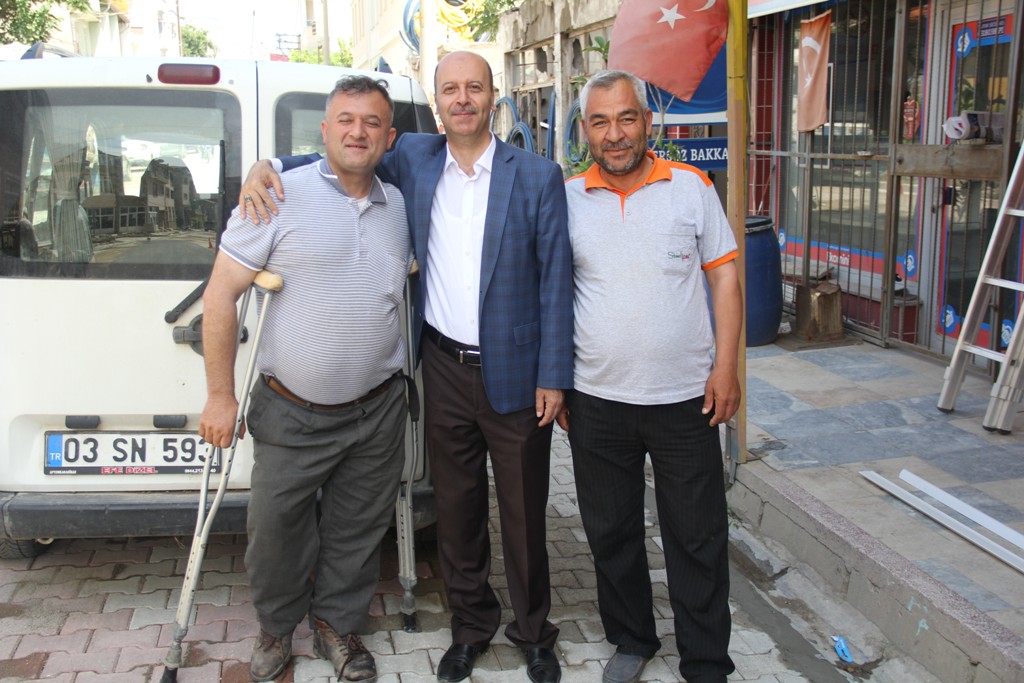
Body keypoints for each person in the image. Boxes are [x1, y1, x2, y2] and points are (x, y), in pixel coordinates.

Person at [238, 52, 573, 683]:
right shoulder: (413, 157)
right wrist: (269, 166)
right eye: (450, 89)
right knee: (457, 510)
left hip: (518, 372)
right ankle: (470, 628)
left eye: (474, 87)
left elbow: (557, 279)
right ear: (437, 101)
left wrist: (554, 376)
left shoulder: (536, 175)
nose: (462, 98)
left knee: (525, 513)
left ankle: (534, 634)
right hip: (441, 369)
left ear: (492, 96)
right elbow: (343, 156)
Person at [200, 75, 411, 683]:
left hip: (377, 408)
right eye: (346, 119)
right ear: (324, 130)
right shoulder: (276, 195)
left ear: (389, 136)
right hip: (291, 410)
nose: (358, 132)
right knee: (275, 532)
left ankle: (336, 626)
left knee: (357, 529)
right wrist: (220, 395)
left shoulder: (398, 204)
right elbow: (220, 297)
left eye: (371, 122)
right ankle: (275, 628)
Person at [557, 70, 741, 683]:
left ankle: (706, 661)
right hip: (596, 398)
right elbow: (552, 294)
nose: (615, 134)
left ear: (647, 122)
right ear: (585, 131)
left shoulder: (691, 187)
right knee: (611, 532)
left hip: (685, 398)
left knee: (697, 536)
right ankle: (633, 638)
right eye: (601, 122)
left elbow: (724, 278)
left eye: (626, 118)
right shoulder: (566, 198)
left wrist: (726, 368)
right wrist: (555, 380)